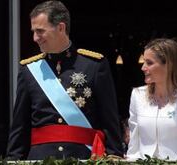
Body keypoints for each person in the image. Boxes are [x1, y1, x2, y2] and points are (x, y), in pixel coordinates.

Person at [6, 0, 123, 160]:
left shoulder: (94, 65)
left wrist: (114, 155)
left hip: (84, 157)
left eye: (40, 31)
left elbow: (109, 118)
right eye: (33, 31)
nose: (35, 38)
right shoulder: (29, 71)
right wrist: (13, 159)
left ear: (61, 27)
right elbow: (20, 126)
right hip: (41, 159)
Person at [126, 38, 177, 160]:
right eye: (144, 62)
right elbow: (133, 147)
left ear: (168, 65)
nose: (143, 68)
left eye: (149, 63)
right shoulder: (137, 95)